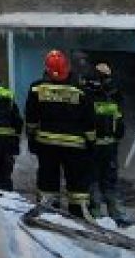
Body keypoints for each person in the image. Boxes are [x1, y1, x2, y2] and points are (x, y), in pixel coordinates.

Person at [25, 49, 96, 217]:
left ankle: (48, 211)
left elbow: (31, 117)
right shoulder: (80, 91)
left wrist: (32, 138)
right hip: (76, 147)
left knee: (48, 180)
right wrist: (91, 142)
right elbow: (89, 120)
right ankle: (79, 213)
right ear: (68, 67)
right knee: (77, 183)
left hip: (47, 145)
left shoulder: (37, 88)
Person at [84, 61, 127, 222]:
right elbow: (120, 127)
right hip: (109, 147)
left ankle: (95, 212)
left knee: (93, 179)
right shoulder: (114, 96)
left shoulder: (88, 95)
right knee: (109, 180)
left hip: (93, 146)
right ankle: (115, 213)